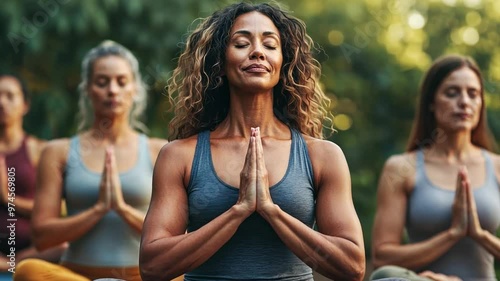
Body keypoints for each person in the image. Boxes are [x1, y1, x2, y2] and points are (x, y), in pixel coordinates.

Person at [139, 2, 365, 281]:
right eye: (242, 43)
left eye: (270, 45)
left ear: (284, 65)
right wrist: (238, 211)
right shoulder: (179, 156)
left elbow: (353, 267)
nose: (257, 51)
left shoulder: (322, 155)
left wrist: (272, 211)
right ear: (219, 63)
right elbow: (152, 267)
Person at [12, 40, 167, 281]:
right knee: (27, 271)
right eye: (102, 82)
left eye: (121, 82)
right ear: (87, 89)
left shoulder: (161, 151)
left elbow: (177, 236)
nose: (112, 90)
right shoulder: (58, 152)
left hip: (143, 276)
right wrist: (97, 210)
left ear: (135, 89)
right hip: (78, 276)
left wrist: (123, 209)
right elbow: (42, 238)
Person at [370, 54, 500, 281]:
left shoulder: (497, 166)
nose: (464, 102)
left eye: (473, 94)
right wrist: (452, 234)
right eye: (452, 93)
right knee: (386, 276)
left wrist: (479, 235)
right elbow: (382, 256)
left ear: (481, 103)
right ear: (431, 102)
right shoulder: (402, 168)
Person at [0, 74, 67, 273]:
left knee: (66, 247)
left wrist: (7, 199)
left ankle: (13, 264)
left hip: (33, 251)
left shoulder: (39, 150)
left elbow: (59, 209)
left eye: (10, 96)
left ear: (25, 105)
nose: (1, 102)